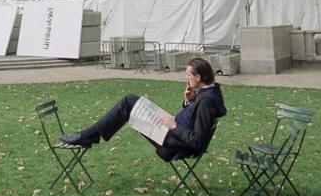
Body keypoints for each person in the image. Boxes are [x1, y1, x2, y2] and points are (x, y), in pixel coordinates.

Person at [58, 58, 226, 161]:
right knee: (130, 101)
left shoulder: (207, 101)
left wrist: (173, 125)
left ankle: (87, 136)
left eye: (188, 74)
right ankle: (90, 135)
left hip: (172, 143)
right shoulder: (208, 93)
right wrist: (189, 101)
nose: (186, 77)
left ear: (198, 77)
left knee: (128, 102)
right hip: (170, 132)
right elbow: (194, 117)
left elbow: (198, 141)